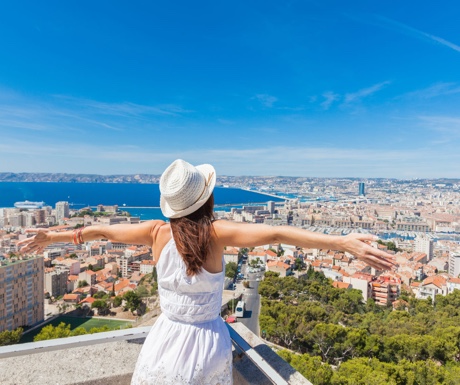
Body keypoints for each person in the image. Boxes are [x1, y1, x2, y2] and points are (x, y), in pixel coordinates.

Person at [19, 159, 395, 385]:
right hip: (206, 341)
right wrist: (341, 242)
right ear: (207, 197)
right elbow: (278, 233)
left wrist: (51, 236)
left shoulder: (155, 232)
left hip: (163, 337)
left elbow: (96, 231)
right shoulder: (215, 234)